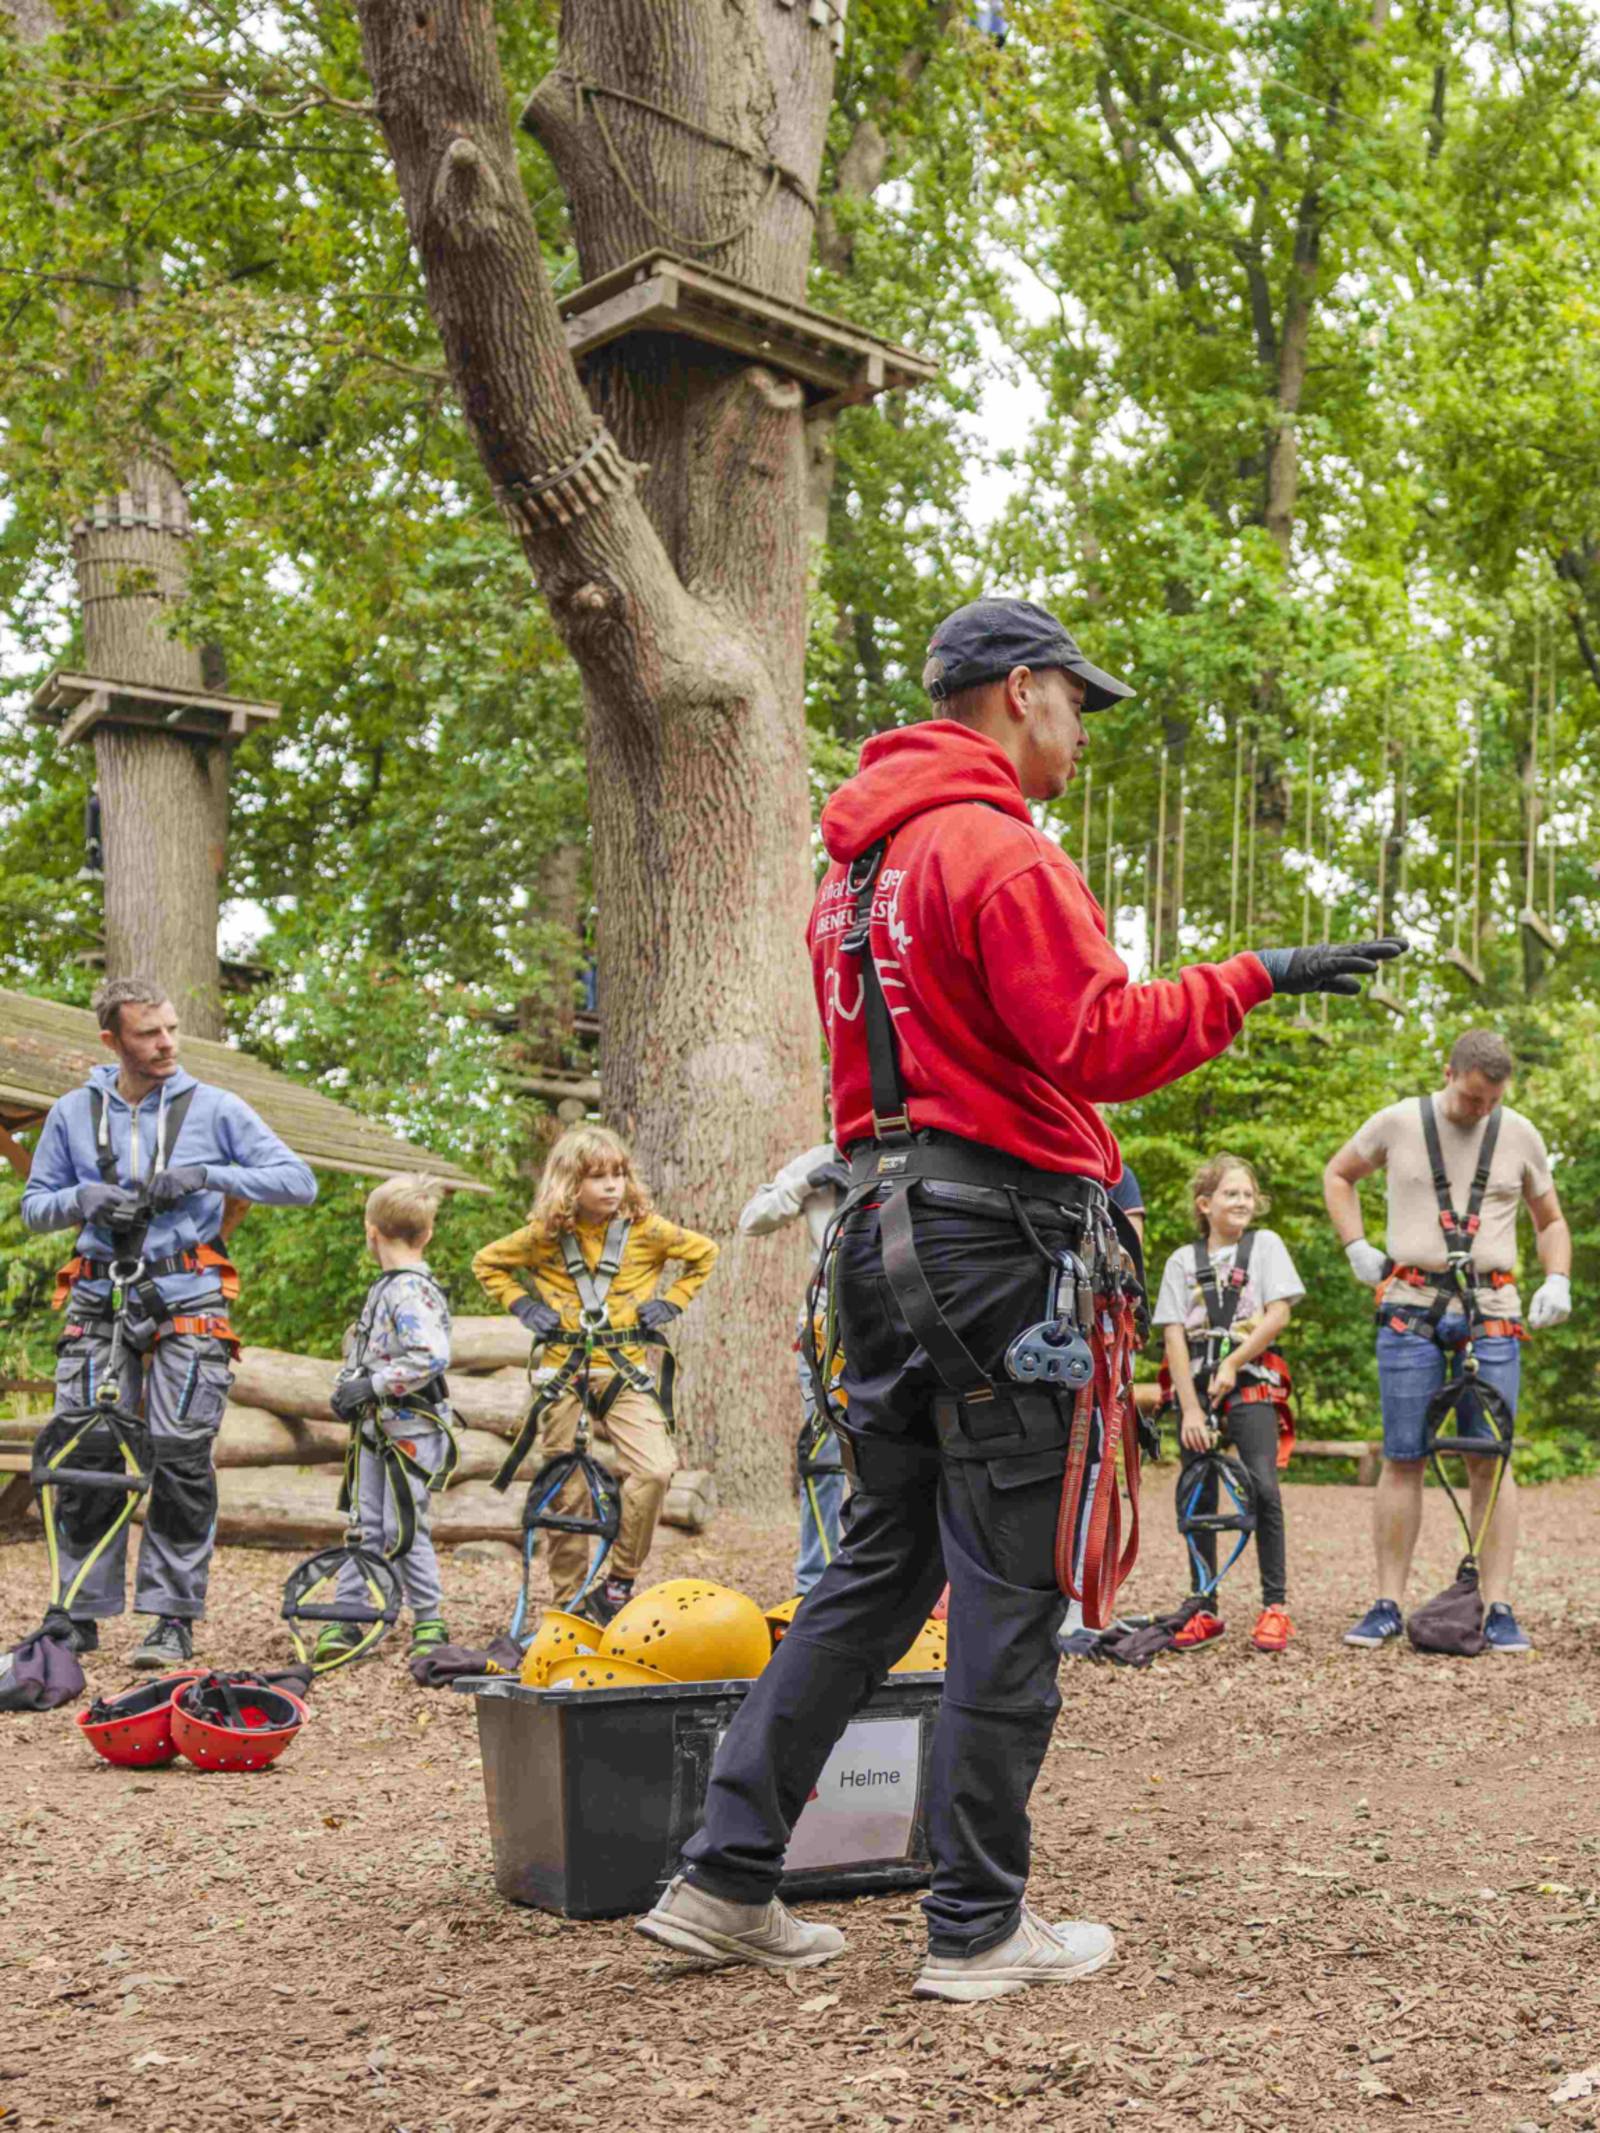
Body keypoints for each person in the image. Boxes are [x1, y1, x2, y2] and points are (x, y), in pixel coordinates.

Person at [639, 594, 1403, 2000]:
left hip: (875, 1243)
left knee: (874, 1568)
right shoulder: (995, 852)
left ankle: (725, 1875)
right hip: (997, 1262)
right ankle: (979, 1923)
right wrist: (1259, 974)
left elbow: (903, 1084)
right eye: (1075, 705)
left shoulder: (849, 879)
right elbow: (1099, 1043)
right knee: (1008, 1580)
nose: (1078, 735)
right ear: (1020, 690)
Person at [20, 976, 317, 1667]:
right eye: (150, 1033)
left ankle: (171, 1617)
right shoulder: (70, 1112)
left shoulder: (214, 1107)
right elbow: (37, 1204)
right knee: (88, 1453)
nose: (167, 1044)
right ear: (112, 1040)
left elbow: (299, 1182)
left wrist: (206, 1174)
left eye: (173, 1029)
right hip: (98, 1295)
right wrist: (81, 1197)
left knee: (181, 1454)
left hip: (187, 1296)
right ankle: (80, 1613)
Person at [1323, 1029, 1570, 1654]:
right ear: (1448, 1073)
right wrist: (1355, 1245)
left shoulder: (1520, 1134)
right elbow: (1339, 1174)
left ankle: (1497, 1607)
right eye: (1470, 1099)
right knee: (1403, 1455)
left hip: (1491, 1310)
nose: (1480, 1110)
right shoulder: (1398, 1122)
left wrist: (1558, 1277)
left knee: (1491, 1458)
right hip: (1411, 1307)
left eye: (1492, 1101)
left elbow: (1552, 1220)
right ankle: (1386, 1604)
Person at [471, 1125, 718, 1626]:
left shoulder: (648, 1232)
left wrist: (671, 1303)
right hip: (563, 1374)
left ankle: (619, 1581)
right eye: (598, 1177)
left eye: (619, 1175)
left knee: (654, 1469)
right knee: (567, 1488)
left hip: (623, 1370)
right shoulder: (545, 1237)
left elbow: (704, 1254)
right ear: (569, 1184)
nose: (612, 1186)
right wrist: (522, 1306)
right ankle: (569, 1601)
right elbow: (487, 1263)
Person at [1152, 1154, 1303, 1653]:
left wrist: (1235, 1361)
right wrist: (1190, 1409)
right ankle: (1204, 1604)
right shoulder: (1181, 1261)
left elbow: (1277, 1314)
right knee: (1199, 1494)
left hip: (1250, 1378)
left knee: (1263, 1486)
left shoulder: (1265, 1247)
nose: (1242, 1202)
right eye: (1230, 1194)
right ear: (1205, 1203)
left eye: (1247, 1194)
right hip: (1196, 1385)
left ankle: (1274, 1605)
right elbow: (1173, 1335)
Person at [315, 1175, 456, 1667]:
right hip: (378, 1429)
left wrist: (372, 1387)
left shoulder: (409, 1291)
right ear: (427, 1233)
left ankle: (429, 1618)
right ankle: (351, 1613)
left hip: (409, 1432)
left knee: (403, 1526)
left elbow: (430, 1356)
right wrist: (349, 1385)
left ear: (370, 1231)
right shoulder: (389, 1288)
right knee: (363, 1523)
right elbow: (371, 1352)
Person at [738, 1136, 851, 1594]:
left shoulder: (910, 1144)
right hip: (825, 1329)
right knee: (823, 1457)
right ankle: (814, 1581)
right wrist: (806, 1184)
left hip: (895, 1323)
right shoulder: (820, 1160)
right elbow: (752, 1220)